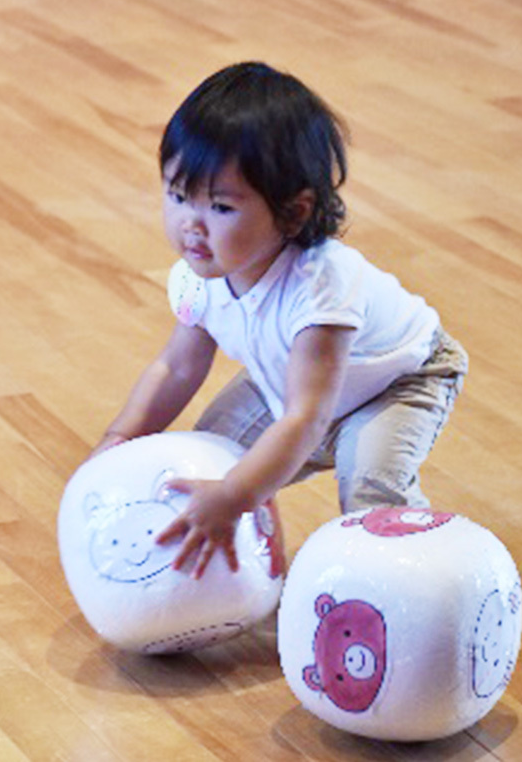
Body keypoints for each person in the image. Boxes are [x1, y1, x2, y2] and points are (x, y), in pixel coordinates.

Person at [91, 62, 467, 580]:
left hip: (397, 383)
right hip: (297, 379)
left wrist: (236, 494)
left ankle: (415, 590)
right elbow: (177, 367)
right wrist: (121, 437)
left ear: (292, 213)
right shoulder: (199, 277)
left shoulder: (320, 290)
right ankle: (258, 577)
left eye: (220, 206)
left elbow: (306, 420)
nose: (191, 224)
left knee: (370, 495)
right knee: (213, 455)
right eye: (178, 196)